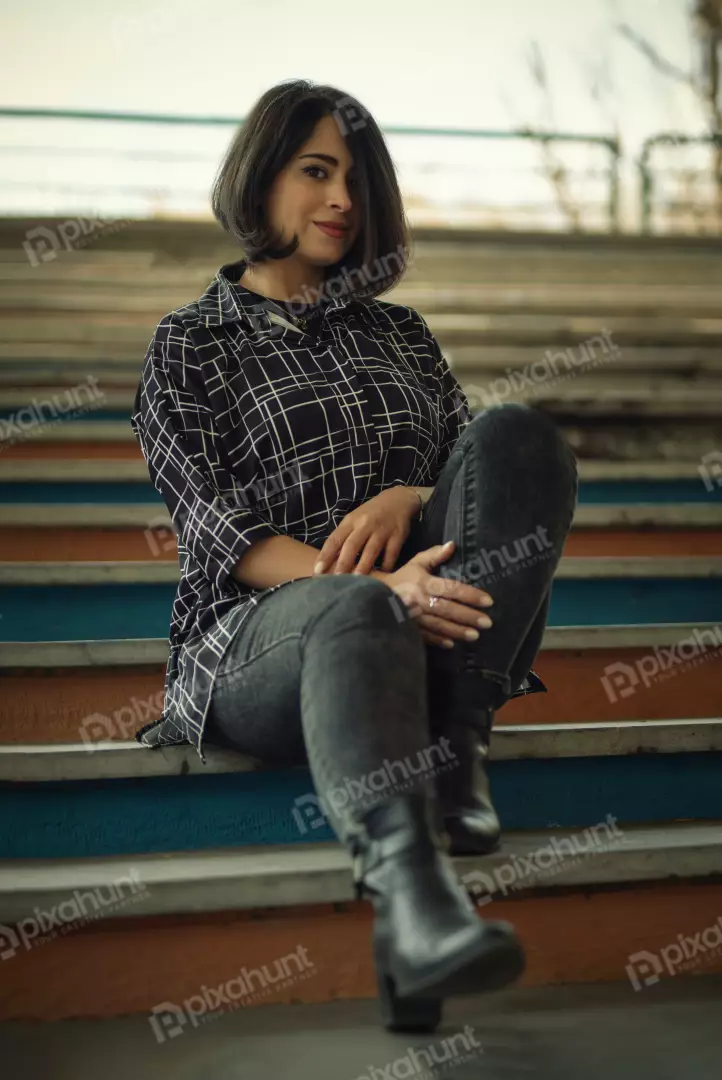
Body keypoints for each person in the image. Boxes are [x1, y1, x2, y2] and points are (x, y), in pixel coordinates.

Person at [131, 79, 578, 1033]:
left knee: (518, 437)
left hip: (428, 633)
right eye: (317, 171)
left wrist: (407, 494)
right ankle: (415, 904)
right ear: (261, 179)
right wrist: (380, 586)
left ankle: (458, 745)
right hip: (259, 644)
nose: (343, 199)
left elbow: (475, 475)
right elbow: (216, 532)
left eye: (358, 180)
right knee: (354, 606)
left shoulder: (405, 337)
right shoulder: (188, 345)